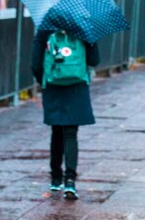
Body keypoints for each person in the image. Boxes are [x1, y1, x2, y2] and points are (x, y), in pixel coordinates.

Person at [31, 30, 100, 200]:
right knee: (71, 132)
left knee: (56, 130)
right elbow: (94, 61)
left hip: (53, 84)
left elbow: (35, 65)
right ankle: (70, 180)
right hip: (77, 85)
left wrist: (45, 80)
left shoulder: (45, 29)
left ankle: (56, 177)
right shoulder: (83, 29)